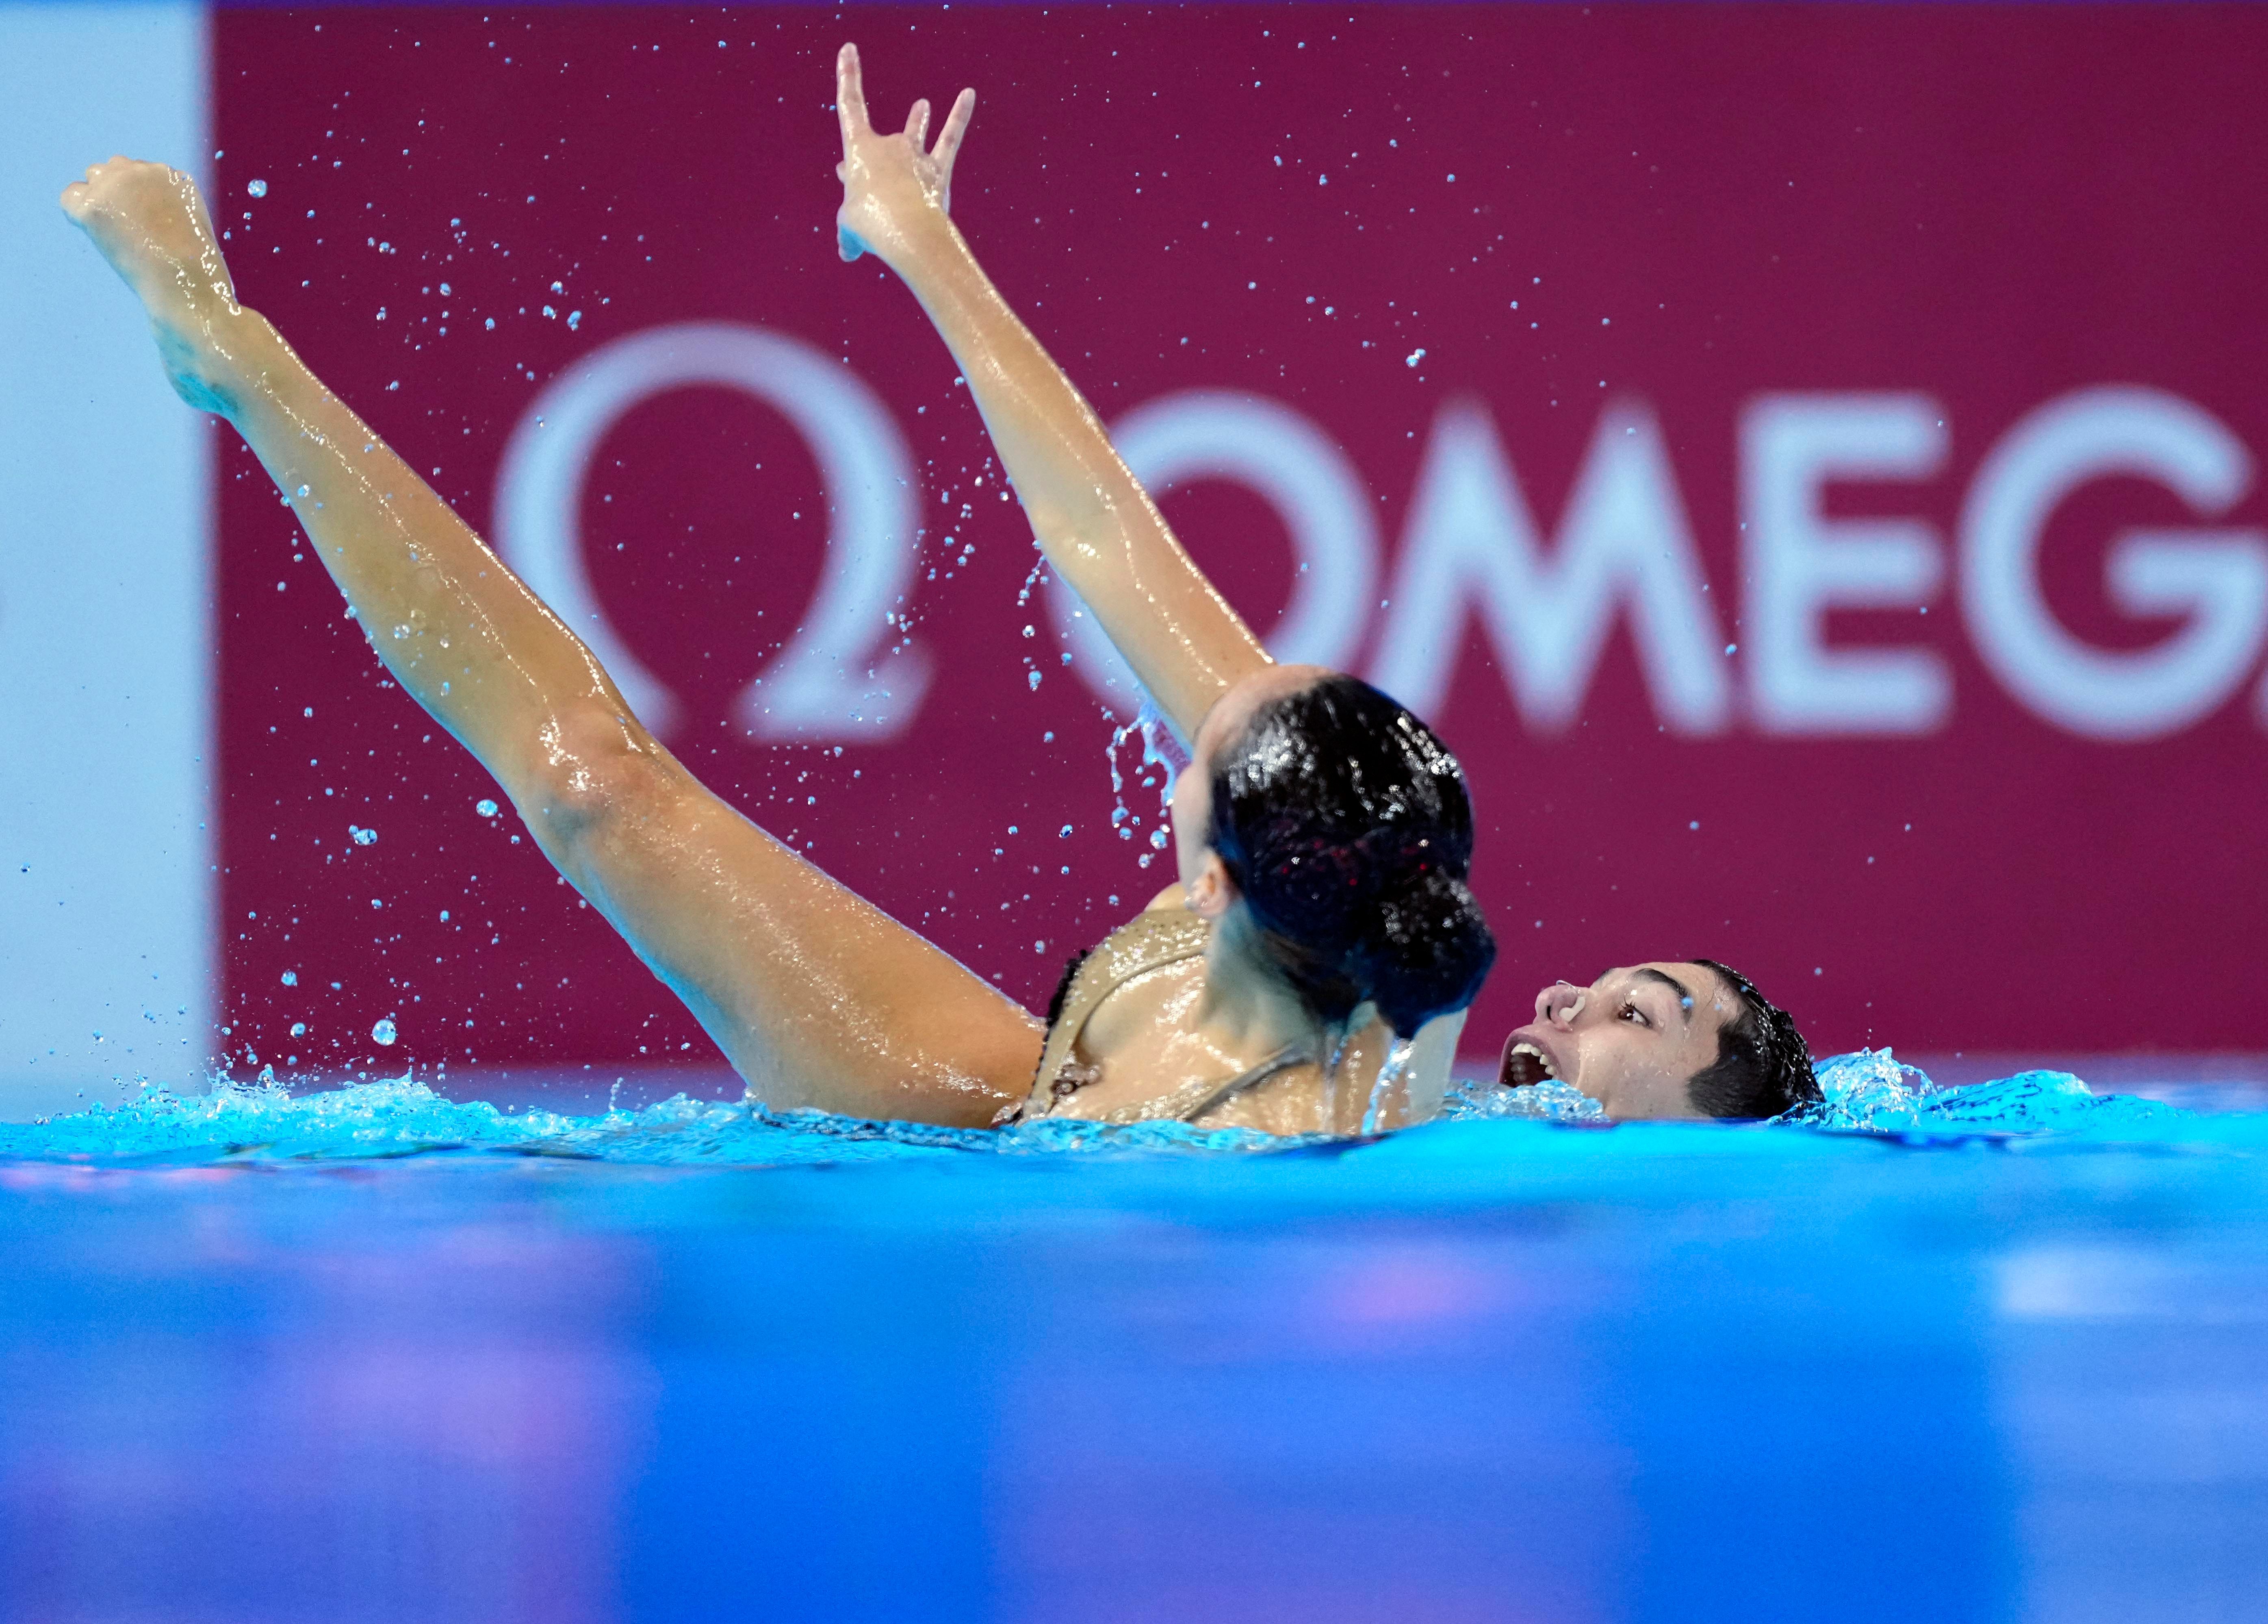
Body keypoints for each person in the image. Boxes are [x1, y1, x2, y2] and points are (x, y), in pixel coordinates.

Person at [59, 59, 1492, 1135]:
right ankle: (233, 349)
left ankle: (237, 375)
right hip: (1042, 1070)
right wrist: (925, 245)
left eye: (1212, 752)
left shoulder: (1338, 1104)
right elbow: (1103, 539)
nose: (1211, 710)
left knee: (595, 793)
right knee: (599, 773)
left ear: (1215, 879)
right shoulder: (1346, 829)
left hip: (980, 1138)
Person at [826, 46, 1819, 1125]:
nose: (1569, 994)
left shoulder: (1382, 1088)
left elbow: (1105, 538)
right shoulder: (1383, 1028)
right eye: (1617, 991)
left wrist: (928, 250)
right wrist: (929, 247)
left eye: (1638, 1017)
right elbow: (1105, 537)